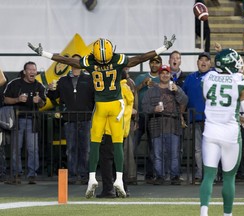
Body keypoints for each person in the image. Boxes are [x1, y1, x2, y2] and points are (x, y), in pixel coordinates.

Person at [28, 34, 176, 198]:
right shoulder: (118, 63)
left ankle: (91, 177)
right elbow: (140, 58)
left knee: (95, 143)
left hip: (100, 108)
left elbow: (68, 61)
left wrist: (44, 53)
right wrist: (163, 48)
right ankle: (119, 179)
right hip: (115, 108)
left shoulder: (91, 62)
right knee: (117, 145)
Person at [199, 48, 244, 216]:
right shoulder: (239, 80)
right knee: (229, 178)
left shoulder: (207, 77)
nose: (239, 63)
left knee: (208, 176)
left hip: (210, 132)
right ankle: (227, 215)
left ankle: (203, 212)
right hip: (230, 134)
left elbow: (211, 102)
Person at [46, 54, 94, 185]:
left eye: (78, 60)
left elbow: (96, 99)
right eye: (72, 60)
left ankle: (84, 175)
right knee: (71, 148)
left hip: (86, 119)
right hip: (69, 119)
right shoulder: (62, 80)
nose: (75, 62)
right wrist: (49, 90)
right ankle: (72, 175)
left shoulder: (90, 79)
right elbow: (54, 97)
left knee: (85, 149)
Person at [142, 65, 188, 185]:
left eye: (167, 73)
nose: (164, 75)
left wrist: (177, 91)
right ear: (159, 75)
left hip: (174, 124)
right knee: (157, 154)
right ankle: (159, 176)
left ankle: (175, 176)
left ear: (170, 75)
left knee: (174, 154)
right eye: (162, 73)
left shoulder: (175, 88)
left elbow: (185, 101)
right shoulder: (151, 91)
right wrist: (154, 109)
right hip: (156, 124)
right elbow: (144, 106)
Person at [4, 62, 46, 184]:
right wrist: (17, 99)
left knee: (33, 149)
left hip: (32, 121)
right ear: (24, 72)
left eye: (34, 69)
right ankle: (16, 174)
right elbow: (5, 99)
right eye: (30, 69)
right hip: (16, 121)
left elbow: (43, 103)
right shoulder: (14, 83)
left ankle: (32, 175)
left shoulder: (39, 86)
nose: (33, 72)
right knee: (16, 149)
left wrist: (39, 101)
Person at [97, 70, 135, 198]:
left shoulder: (114, 90)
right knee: (118, 160)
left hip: (109, 130)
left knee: (106, 160)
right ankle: (122, 188)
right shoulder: (127, 89)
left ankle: (108, 189)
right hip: (122, 130)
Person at [182, 52, 213, 184]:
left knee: (212, 148)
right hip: (194, 118)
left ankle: (212, 175)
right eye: (201, 60)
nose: (203, 62)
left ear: (210, 63)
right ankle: (201, 174)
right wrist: (181, 117)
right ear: (197, 62)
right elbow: (183, 98)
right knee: (198, 149)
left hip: (212, 120)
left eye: (206, 60)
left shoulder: (215, 76)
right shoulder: (190, 78)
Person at [134, 55, 162, 184]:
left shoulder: (163, 77)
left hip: (155, 117)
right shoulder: (141, 77)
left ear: (160, 64)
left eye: (157, 63)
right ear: (149, 64)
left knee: (153, 148)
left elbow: (167, 92)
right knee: (132, 145)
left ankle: (150, 175)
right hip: (140, 116)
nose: (154, 65)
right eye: (152, 62)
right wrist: (142, 84)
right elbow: (132, 91)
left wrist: (155, 84)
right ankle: (130, 174)